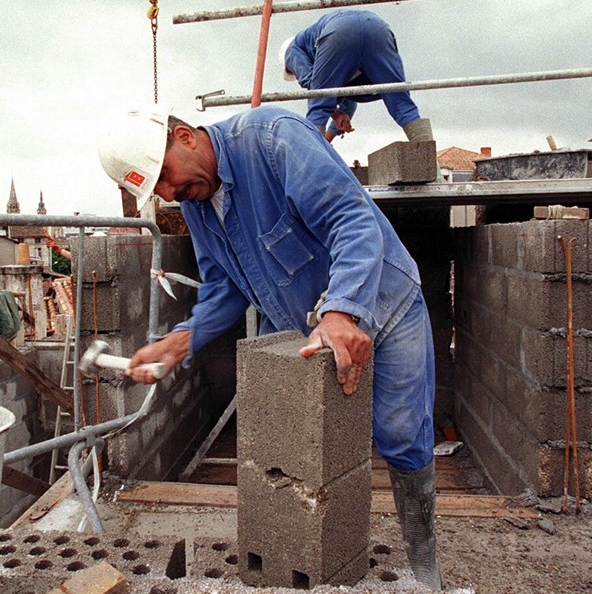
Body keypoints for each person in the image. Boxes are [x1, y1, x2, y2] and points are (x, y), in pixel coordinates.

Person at [97, 103, 441, 590]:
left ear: (184, 137)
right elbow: (223, 286)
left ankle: (427, 572)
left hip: (386, 303)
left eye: (166, 177)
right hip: (311, 332)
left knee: (401, 435)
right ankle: (308, 560)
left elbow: (353, 221)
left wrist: (342, 310)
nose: (171, 194)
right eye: (159, 192)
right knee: (297, 448)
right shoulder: (197, 204)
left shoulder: (274, 140)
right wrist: (183, 339)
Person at [279, 9, 433, 145]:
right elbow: (348, 101)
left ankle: (310, 170)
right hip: (376, 27)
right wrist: (330, 135)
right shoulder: (321, 52)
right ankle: (431, 168)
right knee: (400, 101)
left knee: (318, 105)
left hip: (339, 31)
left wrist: (329, 108)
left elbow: (310, 82)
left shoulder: (292, 49)